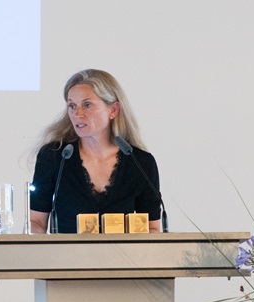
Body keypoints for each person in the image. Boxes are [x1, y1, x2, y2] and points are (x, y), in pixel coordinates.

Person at [29, 69, 162, 234]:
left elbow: (153, 228)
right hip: (66, 258)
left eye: (87, 105)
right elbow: (36, 222)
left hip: (125, 259)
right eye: (72, 105)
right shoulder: (55, 157)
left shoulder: (140, 162)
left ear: (113, 110)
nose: (77, 114)